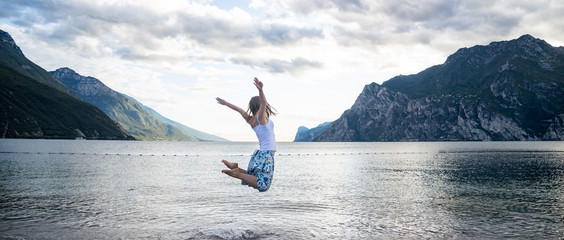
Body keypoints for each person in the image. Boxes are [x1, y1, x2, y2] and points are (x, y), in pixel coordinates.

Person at [216, 77, 277, 192]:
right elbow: (264, 102)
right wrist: (260, 90)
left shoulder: (251, 120)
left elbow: (239, 109)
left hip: (261, 154)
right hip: (267, 154)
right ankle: (237, 174)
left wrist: (225, 103)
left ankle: (235, 168)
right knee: (263, 185)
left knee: (256, 178)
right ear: (259, 105)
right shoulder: (261, 118)